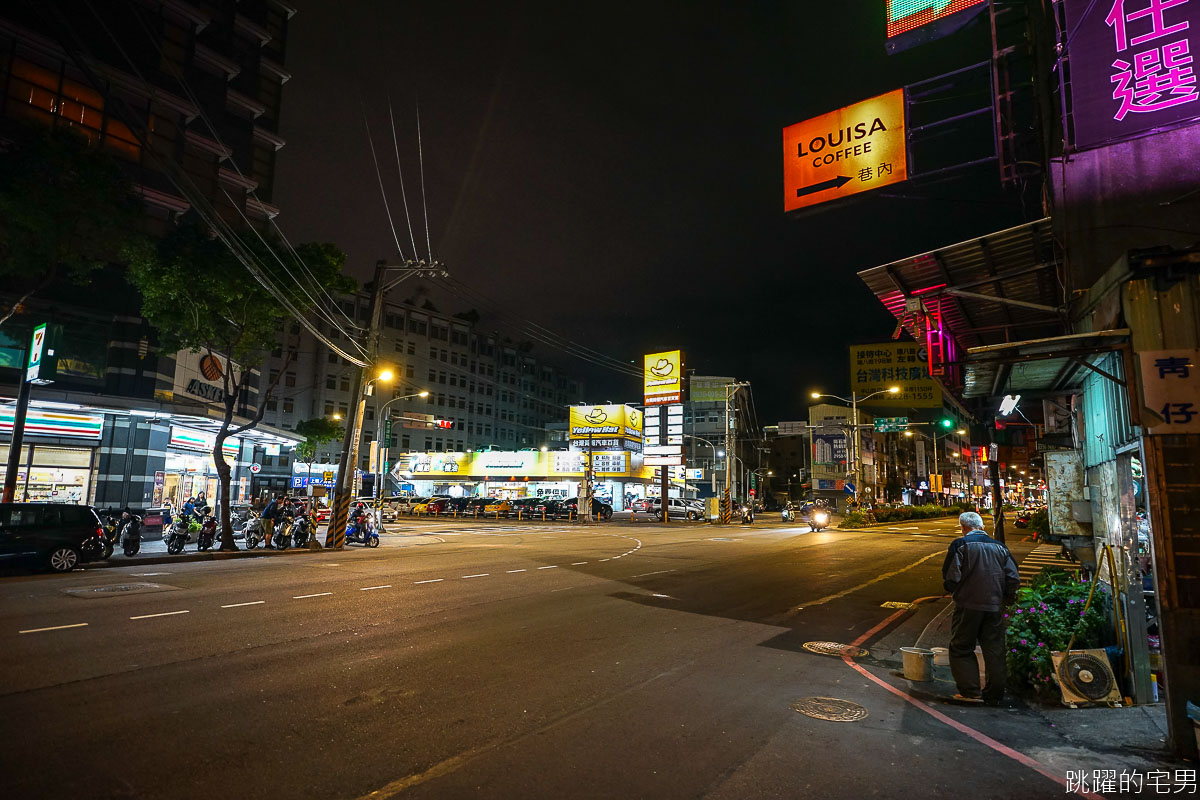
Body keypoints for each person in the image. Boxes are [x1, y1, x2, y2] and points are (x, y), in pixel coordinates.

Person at [942, 511, 1020, 705]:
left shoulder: (960, 545)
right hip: (994, 606)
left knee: (961, 647)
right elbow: (1013, 578)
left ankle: (970, 691)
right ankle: (995, 693)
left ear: (963, 527)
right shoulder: (1000, 547)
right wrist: (1007, 598)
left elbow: (951, 576)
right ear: (982, 527)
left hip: (968, 604)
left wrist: (953, 591)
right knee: (995, 649)